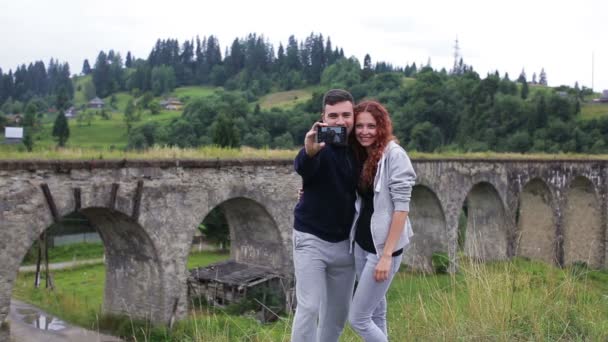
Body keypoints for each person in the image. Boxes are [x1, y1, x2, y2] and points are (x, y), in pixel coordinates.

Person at [292, 89, 359, 342]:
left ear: (354, 115)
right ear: (323, 117)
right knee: (309, 307)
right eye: (333, 116)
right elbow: (303, 167)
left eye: (346, 115)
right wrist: (308, 151)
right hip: (311, 238)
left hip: (345, 244)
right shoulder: (318, 146)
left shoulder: (359, 149)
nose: (340, 121)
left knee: (337, 315)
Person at [348, 100, 416, 342]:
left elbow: (401, 208)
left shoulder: (394, 155)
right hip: (361, 244)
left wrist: (386, 255)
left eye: (371, 126)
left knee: (358, 319)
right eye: (359, 126)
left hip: (382, 249)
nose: (364, 131)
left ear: (382, 127)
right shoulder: (363, 155)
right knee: (376, 311)